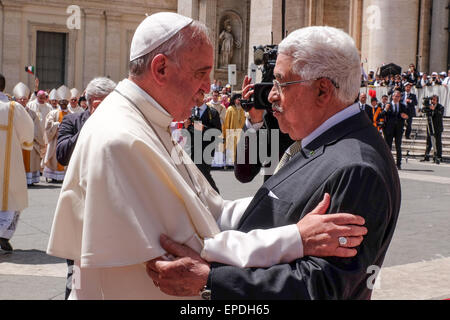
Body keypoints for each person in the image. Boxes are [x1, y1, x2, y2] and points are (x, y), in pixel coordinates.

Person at [47, 13, 367, 300]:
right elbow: (189, 255)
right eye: (201, 73)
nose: (208, 87)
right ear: (160, 68)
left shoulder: (147, 122)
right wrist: (296, 238)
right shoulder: (122, 139)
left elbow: (212, 211)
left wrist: (293, 209)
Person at [147, 26, 401, 300]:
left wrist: (213, 282)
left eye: (281, 83)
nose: (270, 96)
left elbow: (324, 287)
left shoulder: (358, 170)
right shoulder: (320, 143)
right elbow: (265, 202)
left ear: (322, 90)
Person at [55, 77, 116, 299]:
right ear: (90, 103)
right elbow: (62, 155)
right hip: (80, 209)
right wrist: (90, 125)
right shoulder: (73, 121)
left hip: (112, 210)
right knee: (77, 274)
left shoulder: (121, 124)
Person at [0, 85, 34, 252]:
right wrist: (25, 144)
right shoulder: (13, 108)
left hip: (10, 160)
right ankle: (4, 235)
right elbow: (28, 132)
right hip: (9, 161)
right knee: (12, 197)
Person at [185, 92, 221, 193]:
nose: (195, 97)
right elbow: (185, 131)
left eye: (197, 94)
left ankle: (216, 195)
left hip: (206, 149)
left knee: (204, 173)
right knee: (192, 174)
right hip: (192, 148)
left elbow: (217, 132)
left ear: (202, 95)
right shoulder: (190, 111)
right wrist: (186, 126)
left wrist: (202, 128)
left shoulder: (212, 113)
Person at [13, 82, 45, 185]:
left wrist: (33, 136)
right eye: (20, 98)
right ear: (17, 99)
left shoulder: (32, 113)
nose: (22, 100)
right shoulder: (12, 111)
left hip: (29, 141)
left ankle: (29, 180)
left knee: (29, 159)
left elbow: (36, 127)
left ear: (27, 100)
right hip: (16, 141)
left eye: (24, 99)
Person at [43, 85, 72, 182]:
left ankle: (64, 176)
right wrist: (56, 125)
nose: (63, 103)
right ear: (59, 102)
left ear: (68, 102)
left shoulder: (71, 114)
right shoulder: (53, 113)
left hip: (67, 140)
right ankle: (54, 176)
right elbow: (48, 124)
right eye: (61, 101)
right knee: (54, 158)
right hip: (55, 139)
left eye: (65, 102)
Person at [383, 90, 409, 170]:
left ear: (400, 97)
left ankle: (398, 164)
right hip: (389, 129)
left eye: (398, 96)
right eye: (395, 96)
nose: (397, 98)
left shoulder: (403, 106)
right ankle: (388, 164)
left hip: (399, 129)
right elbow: (381, 115)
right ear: (392, 96)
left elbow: (408, 116)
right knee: (388, 147)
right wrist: (385, 110)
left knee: (398, 147)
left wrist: (405, 116)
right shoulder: (388, 105)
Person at [222, 93, 245, 167]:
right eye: (238, 99)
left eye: (240, 100)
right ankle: (229, 164)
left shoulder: (242, 109)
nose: (239, 101)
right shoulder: (230, 109)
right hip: (231, 132)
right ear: (234, 100)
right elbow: (226, 122)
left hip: (240, 132)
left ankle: (237, 164)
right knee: (231, 148)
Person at [420, 95, 445, 164]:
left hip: (437, 127)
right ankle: (427, 155)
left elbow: (440, 114)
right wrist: (424, 108)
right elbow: (423, 111)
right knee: (428, 141)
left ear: (437, 100)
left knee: (438, 142)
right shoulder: (429, 106)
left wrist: (434, 109)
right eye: (432, 99)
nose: (432, 101)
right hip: (430, 126)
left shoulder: (440, 107)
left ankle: (438, 156)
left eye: (434, 99)